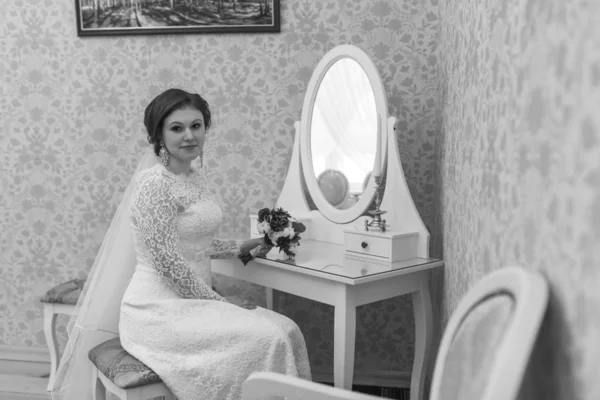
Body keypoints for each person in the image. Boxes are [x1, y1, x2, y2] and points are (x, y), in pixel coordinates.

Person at [51, 88, 311, 400]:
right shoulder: (154, 185)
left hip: (194, 302)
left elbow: (194, 243)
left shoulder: (194, 176)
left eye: (196, 126)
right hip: (157, 310)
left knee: (288, 330)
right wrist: (221, 302)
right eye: (177, 128)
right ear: (158, 135)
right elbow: (168, 262)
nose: (189, 136)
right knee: (270, 337)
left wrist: (242, 246)